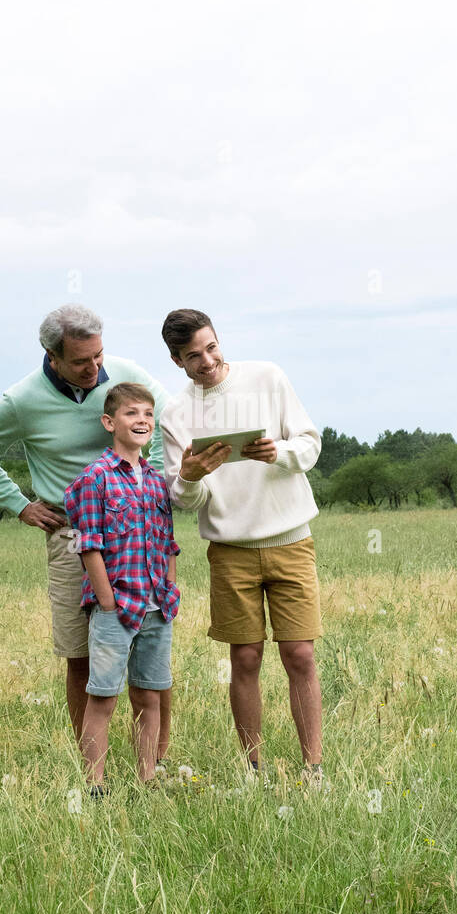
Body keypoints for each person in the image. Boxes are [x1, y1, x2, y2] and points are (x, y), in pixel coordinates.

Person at [0, 304, 173, 756]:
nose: (95, 368)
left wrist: (149, 480)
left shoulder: (124, 373)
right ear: (52, 357)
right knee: (81, 655)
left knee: (152, 649)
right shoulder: (21, 400)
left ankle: (156, 761)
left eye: (99, 356)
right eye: (81, 361)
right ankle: (90, 764)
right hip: (71, 532)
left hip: (137, 531)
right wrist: (20, 505)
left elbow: (165, 418)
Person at [158, 308, 325, 780]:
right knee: (245, 657)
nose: (207, 362)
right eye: (193, 357)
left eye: (211, 348)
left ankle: (314, 768)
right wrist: (190, 478)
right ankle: (253, 767)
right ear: (177, 362)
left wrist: (281, 452)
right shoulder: (176, 413)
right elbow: (185, 497)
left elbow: (310, 444)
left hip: (291, 539)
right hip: (230, 550)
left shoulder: (267, 377)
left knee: (300, 654)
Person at [64, 384, 180, 792]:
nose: (142, 421)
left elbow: (168, 542)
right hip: (117, 608)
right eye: (132, 414)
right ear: (110, 422)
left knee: (149, 696)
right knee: (104, 696)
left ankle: (147, 776)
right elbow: (86, 543)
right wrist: (108, 602)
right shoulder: (92, 479)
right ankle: (95, 782)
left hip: (156, 607)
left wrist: (170, 587)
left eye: (148, 414)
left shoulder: (155, 480)